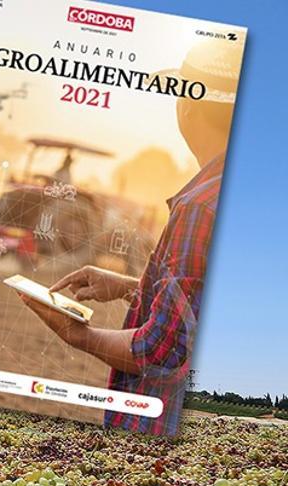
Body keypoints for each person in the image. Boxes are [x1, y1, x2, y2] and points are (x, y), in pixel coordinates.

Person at [19, 40, 240, 435]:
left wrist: (78, 334)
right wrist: (133, 287)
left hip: (158, 425)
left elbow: (161, 350)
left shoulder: (198, 206)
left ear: (187, 105)